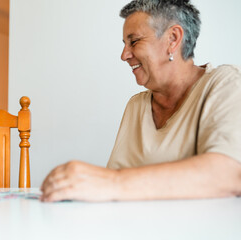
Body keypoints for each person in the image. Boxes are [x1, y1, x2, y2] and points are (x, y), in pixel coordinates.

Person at [40, 0, 241, 202]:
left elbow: (229, 174)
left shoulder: (225, 83)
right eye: (124, 44)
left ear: (173, 39)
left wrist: (112, 182)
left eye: (134, 41)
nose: (124, 55)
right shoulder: (136, 106)